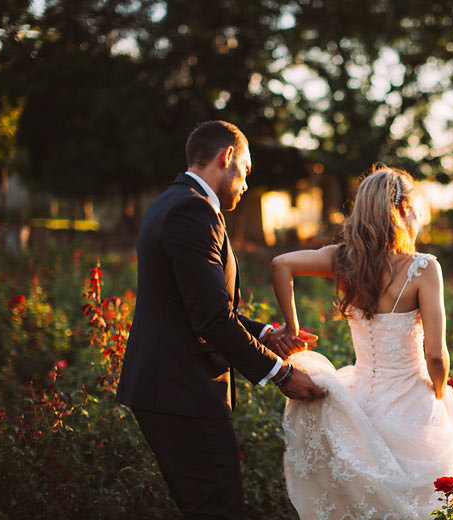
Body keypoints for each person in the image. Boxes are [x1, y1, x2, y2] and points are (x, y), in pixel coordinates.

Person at [115, 120, 324, 519]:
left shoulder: (173, 201)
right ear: (226, 157)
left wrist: (266, 334)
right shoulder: (194, 210)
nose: (246, 183)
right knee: (219, 508)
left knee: (206, 507)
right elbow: (210, 319)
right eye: (245, 170)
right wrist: (281, 374)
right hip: (181, 389)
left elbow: (193, 304)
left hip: (169, 388)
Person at [270, 165, 453, 519]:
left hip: (360, 402)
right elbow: (435, 354)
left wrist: (292, 327)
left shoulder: (344, 259)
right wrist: (440, 393)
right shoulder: (424, 268)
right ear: (403, 210)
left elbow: (280, 264)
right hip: (411, 400)